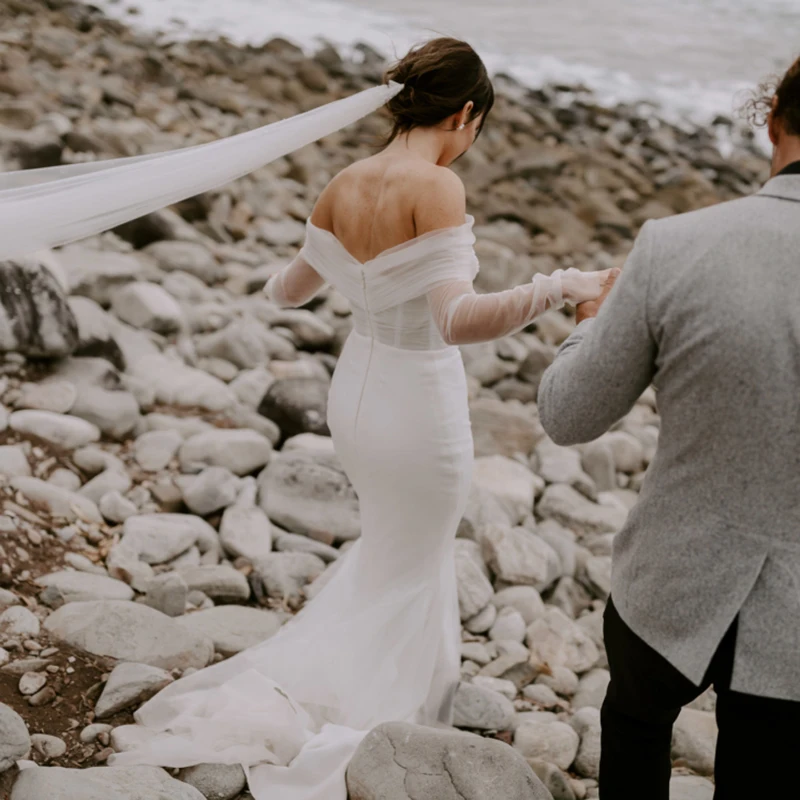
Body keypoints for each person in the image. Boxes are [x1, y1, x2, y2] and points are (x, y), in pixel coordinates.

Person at [109, 37, 611, 800]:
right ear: (466, 113)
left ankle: (373, 701)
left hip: (357, 396)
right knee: (417, 556)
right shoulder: (437, 187)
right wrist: (559, 284)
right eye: (477, 127)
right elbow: (459, 322)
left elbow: (287, 293)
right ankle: (389, 723)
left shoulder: (344, 181)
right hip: (417, 405)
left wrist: (350, 267)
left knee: (393, 551)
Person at [537, 54, 800, 800]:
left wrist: (588, 322)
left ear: (773, 116)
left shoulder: (675, 246)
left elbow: (567, 414)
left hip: (673, 579)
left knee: (635, 735)